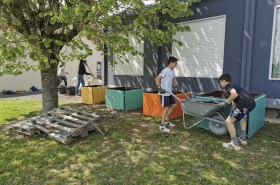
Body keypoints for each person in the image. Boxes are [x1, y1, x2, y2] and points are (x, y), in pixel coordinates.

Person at [218, 73, 256, 150]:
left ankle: (234, 144)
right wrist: (232, 113)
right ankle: (242, 139)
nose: (220, 84)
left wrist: (226, 102)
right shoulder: (234, 85)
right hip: (251, 103)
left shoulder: (227, 86)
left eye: (220, 82)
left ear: (224, 81)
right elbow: (235, 103)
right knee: (240, 118)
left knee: (228, 122)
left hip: (243, 104)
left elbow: (234, 94)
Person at [155, 56, 179, 132]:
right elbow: (157, 78)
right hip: (164, 93)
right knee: (166, 108)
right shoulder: (165, 70)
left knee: (174, 106)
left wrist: (175, 86)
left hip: (169, 92)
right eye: (175, 63)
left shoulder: (173, 71)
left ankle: (167, 121)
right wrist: (159, 88)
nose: (176, 65)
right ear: (171, 62)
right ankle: (162, 126)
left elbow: (173, 79)